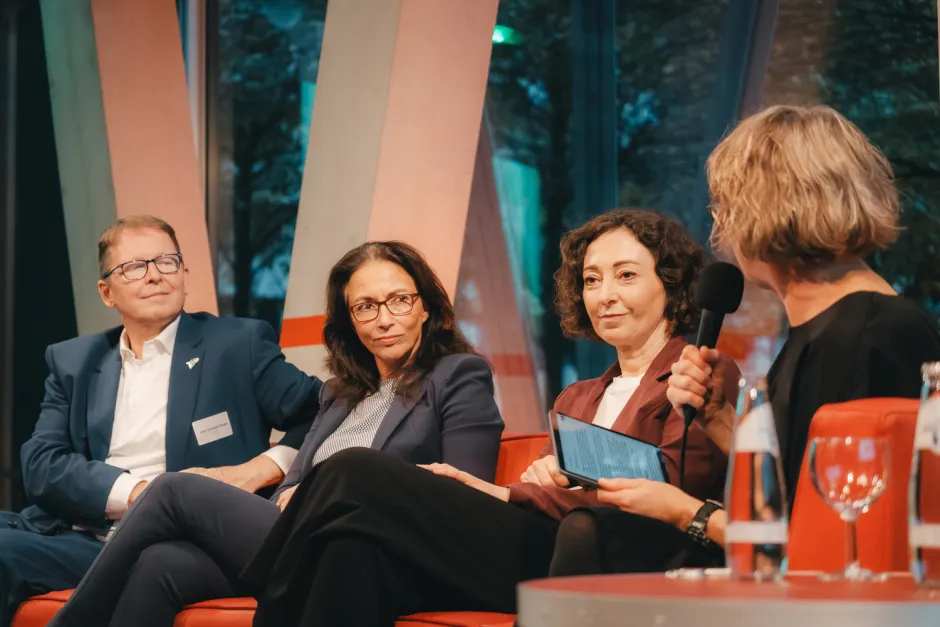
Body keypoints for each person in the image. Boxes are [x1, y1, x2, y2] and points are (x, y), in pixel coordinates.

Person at [240, 209, 737, 627]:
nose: (604, 294)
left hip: (601, 553)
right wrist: (513, 490)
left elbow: (670, 484)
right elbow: (541, 489)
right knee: (350, 550)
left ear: (671, 284)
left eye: (626, 275)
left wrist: (535, 488)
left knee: (353, 468)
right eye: (591, 279)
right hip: (539, 540)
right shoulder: (577, 396)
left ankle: (263, 576)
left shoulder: (695, 373)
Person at [551, 104, 940, 576]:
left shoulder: (862, 339)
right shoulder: (839, 328)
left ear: (763, 212)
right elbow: (794, 485)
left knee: (597, 536)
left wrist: (685, 511)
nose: (722, 228)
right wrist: (718, 418)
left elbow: (821, 539)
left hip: (823, 598)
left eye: (725, 206)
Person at [46, 240, 504, 627]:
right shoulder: (340, 393)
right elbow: (292, 483)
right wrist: (291, 493)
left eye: (399, 300)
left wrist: (318, 497)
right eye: (365, 307)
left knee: (172, 489)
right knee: (159, 563)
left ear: (425, 307)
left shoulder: (458, 375)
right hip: (294, 535)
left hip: (368, 545)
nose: (384, 319)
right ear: (350, 320)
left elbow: (459, 500)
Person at [0, 215, 321, 627]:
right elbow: (42, 464)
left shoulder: (236, 345)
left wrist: (260, 469)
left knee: (156, 564)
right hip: (87, 537)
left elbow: (322, 412)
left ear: (184, 274)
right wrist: (137, 493)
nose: (155, 275)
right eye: (134, 267)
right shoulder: (74, 362)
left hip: (184, 542)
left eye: (167, 262)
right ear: (106, 292)